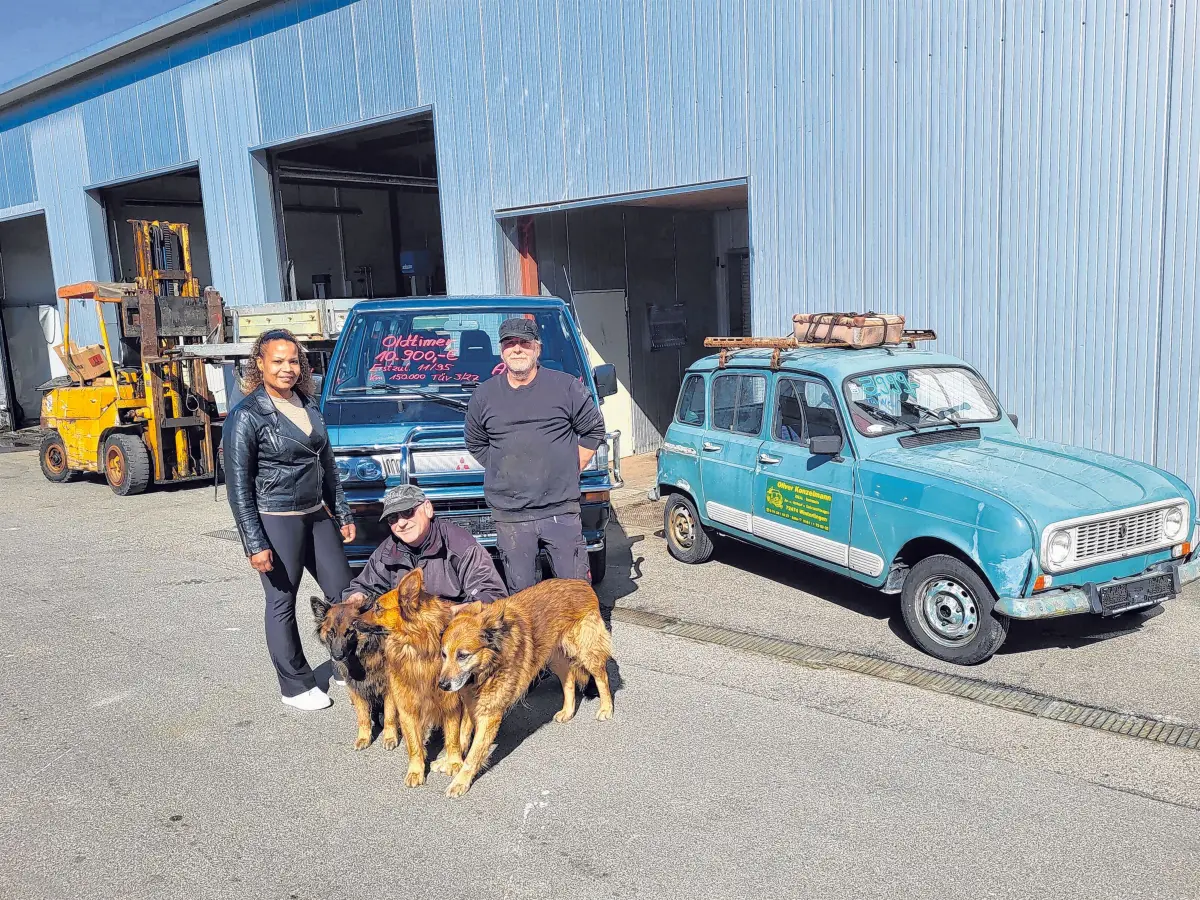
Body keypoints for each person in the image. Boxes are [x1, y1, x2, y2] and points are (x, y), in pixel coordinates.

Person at [223, 328, 356, 712]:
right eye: (277, 361)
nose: (287, 368)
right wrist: (254, 543)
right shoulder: (247, 416)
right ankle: (295, 684)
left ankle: (346, 663)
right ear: (259, 364)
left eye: (293, 361)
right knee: (282, 601)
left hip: (317, 516)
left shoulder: (308, 405)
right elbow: (239, 488)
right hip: (276, 518)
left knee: (344, 593)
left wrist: (341, 511)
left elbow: (327, 464)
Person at [465, 316, 607, 593]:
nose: (517, 349)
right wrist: (504, 469)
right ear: (501, 350)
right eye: (510, 343)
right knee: (524, 597)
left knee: (575, 593)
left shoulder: (566, 387)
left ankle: (580, 637)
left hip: (560, 510)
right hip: (511, 515)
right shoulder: (484, 396)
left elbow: (593, 430)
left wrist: (570, 467)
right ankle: (534, 639)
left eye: (524, 343)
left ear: (537, 349)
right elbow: (476, 442)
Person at [342, 484, 506, 606]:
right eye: (392, 518)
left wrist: (455, 613)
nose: (401, 523)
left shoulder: (460, 545)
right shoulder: (386, 552)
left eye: (408, 512)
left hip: (454, 628)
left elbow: (492, 595)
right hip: (408, 632)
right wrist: (357, 596)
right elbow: (362, 587)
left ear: (428, 508)